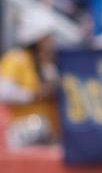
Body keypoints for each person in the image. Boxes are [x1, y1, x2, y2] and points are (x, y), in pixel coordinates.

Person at [0, 12, 60, 146]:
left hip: (51, 133)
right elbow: (4, 91)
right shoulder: (16, 58)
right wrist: (35, 95)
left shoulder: (51, 63)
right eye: (47, 38)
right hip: (24, 130)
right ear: (37, 38)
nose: (51, 42)